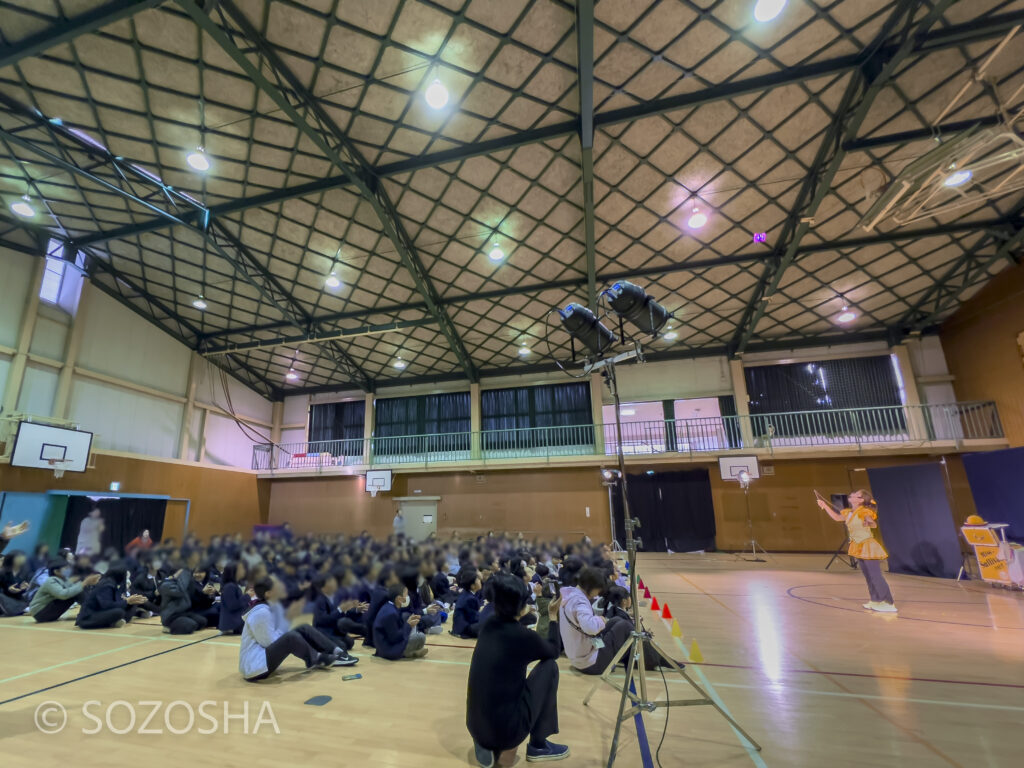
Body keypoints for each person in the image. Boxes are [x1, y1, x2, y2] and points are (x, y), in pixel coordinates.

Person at [467, 573, 569, 767]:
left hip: (476, 726)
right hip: (507, 731)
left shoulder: (487, 625)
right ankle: (538, 745)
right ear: (520, 606)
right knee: (550, 668)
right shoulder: (522, 637)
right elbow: (553, 651)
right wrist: (553, 616)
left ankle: (486, 743)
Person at [238, 576, 356, 681]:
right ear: (268, 594)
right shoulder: (261, 613)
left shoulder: (270, 608)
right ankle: (317, 659)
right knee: (292, 637)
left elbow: (277, 636)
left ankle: (336, 652)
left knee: (302, 627)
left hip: (262, 659)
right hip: (254, 666)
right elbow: (269, 642)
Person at [817, 489, 897, 613]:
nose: (852, 495)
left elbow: (871, 522)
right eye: (853, 494)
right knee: (868, 576)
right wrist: (824, 506)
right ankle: (875, 600)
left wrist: (869, 522)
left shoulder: (864, 511)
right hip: (858, 546)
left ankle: (888, 603)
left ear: (860, 500)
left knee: (876, 576)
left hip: (868, 546)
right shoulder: (849, 512)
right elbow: (837, 518)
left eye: (856, 495)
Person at [559, 565, 632, 674]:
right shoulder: (580, 602)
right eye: (598, 589)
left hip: (579, 656)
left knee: (616, 621)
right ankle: (647, 658)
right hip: (589, 663)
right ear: (591, 586)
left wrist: (601, 620)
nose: (598, 593)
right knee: (624, 626)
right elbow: (590, 627)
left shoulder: (571, 595)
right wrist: (600, 620)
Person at [76, 562, 147, 629]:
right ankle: (112, 622)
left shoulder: (112, 583)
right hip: (87, 618)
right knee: (119, 612)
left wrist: (129, 601)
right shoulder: (106, 585)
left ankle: (115, 621)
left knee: (133, 603)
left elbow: (115, 601)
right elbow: (107, 605)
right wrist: (126, 601)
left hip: (100, 612)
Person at [30, 558, 101, 622]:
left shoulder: (64, 579)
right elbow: (63, 595)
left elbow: (74, 588)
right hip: (40, 613)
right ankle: (91, 612)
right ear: (56, 571)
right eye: (66, 568)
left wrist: (88, 582)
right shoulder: (51, 580)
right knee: (76, 591)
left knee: (77, 589)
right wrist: (84, 583)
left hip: (45, 612)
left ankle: (91, 611)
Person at [372, 583, 427, 660]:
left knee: (417, 636)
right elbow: (395, 638)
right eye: (406, 595)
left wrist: (408, 622)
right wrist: (408, 625)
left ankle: (412, 652)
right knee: (421, 637)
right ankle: (407, 653)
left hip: (385, 646)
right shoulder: (391, 613)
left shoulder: (389, 607)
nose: (407, 597)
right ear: (399, 599)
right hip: (388, 650)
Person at [219, 560, 249, 635]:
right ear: (234, 571)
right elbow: (232, 605)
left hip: (235, 622)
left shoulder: (234, 585)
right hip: (232, 625)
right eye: (241, 569)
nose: (243, 570)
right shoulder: (229, 586)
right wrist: (247, 596)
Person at [453, 568, 483, 638]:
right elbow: (474, 618)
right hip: (464, 629)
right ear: (472, 586)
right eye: (478, 580)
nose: (480, 581)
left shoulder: (467, 594)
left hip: (461, 626)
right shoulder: (470, 598)